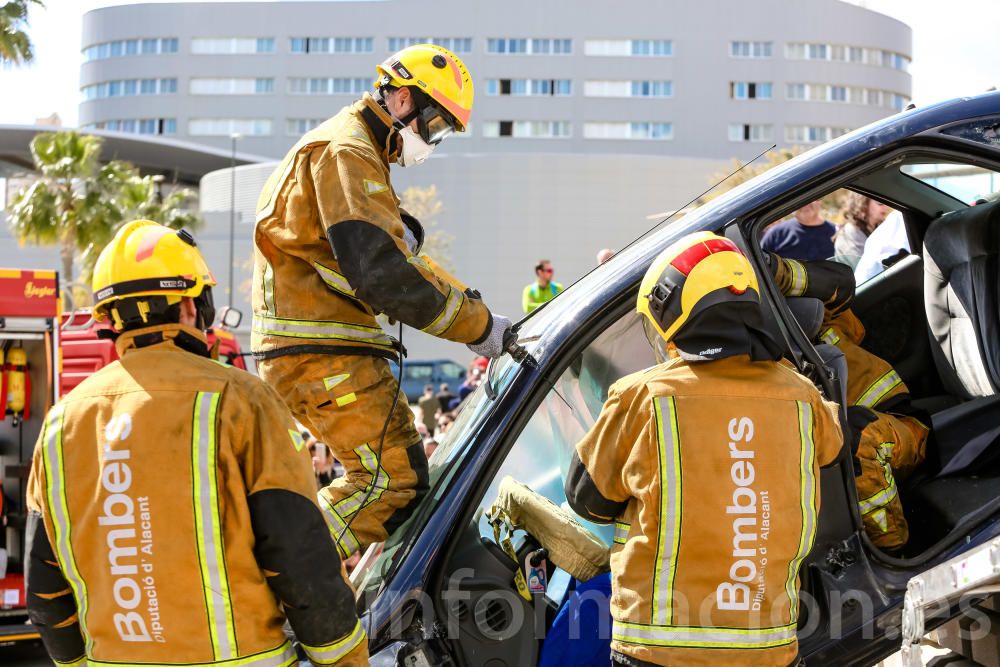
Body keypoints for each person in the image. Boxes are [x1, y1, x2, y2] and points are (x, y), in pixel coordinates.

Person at [25, 221, 367, 666]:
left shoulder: (60, 424)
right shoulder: (242, 400)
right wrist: (345, 659)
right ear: (192, 307)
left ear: (108, 320)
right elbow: (300, 557)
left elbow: (45, 591)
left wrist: (77, 663)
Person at [251, 44, 512, 557]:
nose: (430, 140)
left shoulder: (355, 151)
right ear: (401, 99)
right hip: (320, 349)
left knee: (395, 479)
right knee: (391, 482)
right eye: (434, 125)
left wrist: (475, 314)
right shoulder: (347, 151)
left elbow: (389, 262)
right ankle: (277, 575)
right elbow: (383, 272)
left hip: (321, 346)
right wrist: (481, 329)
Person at [565, 232, 842, 667]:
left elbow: (588, 500)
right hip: (768, 650)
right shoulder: (803, 397)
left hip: (659, 651)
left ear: (670, 313)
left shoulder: (642, 396)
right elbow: (832, 449)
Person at [769, 253, 927, 550]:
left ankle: (896, 552)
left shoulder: (812, 316)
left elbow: (841, 281)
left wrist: (774, 270)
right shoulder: (760, 365)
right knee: (847, 436)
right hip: (837, 457)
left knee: (855, 437)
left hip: (902, 428)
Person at [761, 200, 836, 261]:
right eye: (800, 199)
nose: (804, 204)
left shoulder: (836, 233)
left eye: (809, 198)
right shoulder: (775, 234)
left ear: (819, 202)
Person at [834, 193, 893, 259]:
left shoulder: (881, 228)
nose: (886, 207)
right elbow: (864, 266)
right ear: (863, 203)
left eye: (886, 202)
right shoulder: (851, 231)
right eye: (879, 202)